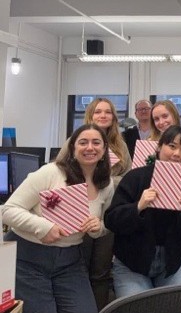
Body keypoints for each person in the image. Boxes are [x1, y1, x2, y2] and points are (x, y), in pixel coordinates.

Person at [2, 124, 115, 313]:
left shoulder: (106, 184)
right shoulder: (50, 172)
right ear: (72, 148)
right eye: (83, 142)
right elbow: (8, 210)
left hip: (70, 261)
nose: (90, 147)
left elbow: (105, 224)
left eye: (96, 143)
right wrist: (43, 227)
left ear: (104, 150)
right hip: (28, 258)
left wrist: (98, 228)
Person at [104, 126, 181, 297]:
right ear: (159, 147)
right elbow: (111, 220)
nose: (177, 154)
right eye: (172, 146)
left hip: (171, 263)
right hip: (132, 262)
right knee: (136, 306)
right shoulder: (135, 176)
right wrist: (138, 206)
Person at [57, 97, 131, 310]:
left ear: (114, 117)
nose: (103, 115)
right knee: (78, 268)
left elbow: (128, 178)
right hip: (80, 212)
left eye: (108, 112)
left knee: (101, 271)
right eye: (98, 111)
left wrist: (107, 179)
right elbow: (59, 169)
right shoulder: (75, 140)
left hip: (108, 215)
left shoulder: (120, 145)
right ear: (90, 115)